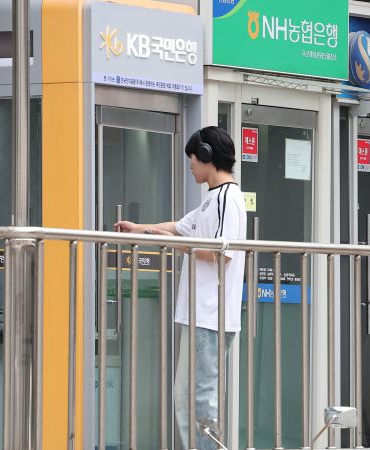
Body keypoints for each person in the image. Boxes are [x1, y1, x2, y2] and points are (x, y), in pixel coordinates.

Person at [114, 126, 246, 450]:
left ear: (206, 155)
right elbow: (179, 227)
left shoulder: (228, 199)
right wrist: (140, 229)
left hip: (210, 315)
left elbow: (220, 254)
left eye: (192, 158)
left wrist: (172, 243)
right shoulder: (212, 200)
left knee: (200, 398)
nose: (190, 165)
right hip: (200, 314)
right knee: (187, 397)